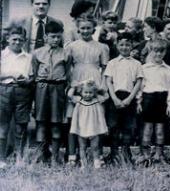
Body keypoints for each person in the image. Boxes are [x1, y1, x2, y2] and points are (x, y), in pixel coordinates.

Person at [65, 18, 109, 165]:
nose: (85, 31)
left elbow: (104, 69)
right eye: (82, 28)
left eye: (88, 28)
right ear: (78, 29)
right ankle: (72, 155)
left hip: (94, 80)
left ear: (93, 29)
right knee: (74, 117)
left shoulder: (102, 47)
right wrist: (71, 84)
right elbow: (67, 67)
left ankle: (98, 156)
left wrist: (102, 88)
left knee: (96, 117)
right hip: (77, 79)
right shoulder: (71, 46)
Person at [31, 21, 69, 165]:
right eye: (53, 37)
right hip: (42, 87)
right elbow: (34, 74)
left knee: (56, 123)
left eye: (58, 37)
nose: (56, 40)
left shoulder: (65, 53)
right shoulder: (37, 53)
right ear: (46, 37)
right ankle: (41, 156)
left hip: (58, 89)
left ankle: (55, 158)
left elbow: (68, 75)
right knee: (41, 123)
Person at [104, 32, 143, 164]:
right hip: (115, 97)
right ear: (117, 45)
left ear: (132, 45)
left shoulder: (137, 64)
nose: (125, 47)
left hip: (129, 97)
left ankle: (126, 153)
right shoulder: (112, 63)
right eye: (121, 44)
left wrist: (130, 98)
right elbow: (109, 81)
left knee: (128, 127)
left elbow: (138, 82)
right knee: (113, 126)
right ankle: (114, 153)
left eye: (127, 44)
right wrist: (114, 98)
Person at [137, 39, 170, 165]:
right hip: (148, 99)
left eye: (161, 51)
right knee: (147, 129)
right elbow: (140, 86)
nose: (158, 54)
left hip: (162, 100)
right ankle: (146, 155)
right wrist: (138, 101)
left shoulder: (168, 69)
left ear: (165, 52)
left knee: (160, 129)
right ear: (150, 51)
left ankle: (159, 154)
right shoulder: (144, 68)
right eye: (155, 51)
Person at [0, 26, 33, 168]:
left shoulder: (28, 57)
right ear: (7, 39)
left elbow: (32, 77)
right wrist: (11, 74)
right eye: (14, 39)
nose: (17, 42)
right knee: (3, 125)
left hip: (22, 91)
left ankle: (19, 157)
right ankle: (1, 158)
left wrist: (27, 81)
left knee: (21, 125)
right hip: (4, 90)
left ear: (25, 41)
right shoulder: (2, 55)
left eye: (20, 40)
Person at [68, 80, 109, 169]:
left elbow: (106, 96)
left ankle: (97, 164)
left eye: (90, 92)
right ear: (81, 92)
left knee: (95, 147)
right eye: (85, 92)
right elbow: (70, 95)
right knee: (82, 147)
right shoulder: (79, 100)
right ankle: (84, 164)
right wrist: (75, 87)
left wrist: (98, 89)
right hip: (81, 128)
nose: (88, 94)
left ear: (94, 93)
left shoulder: (96, 100)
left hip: (93, 128)